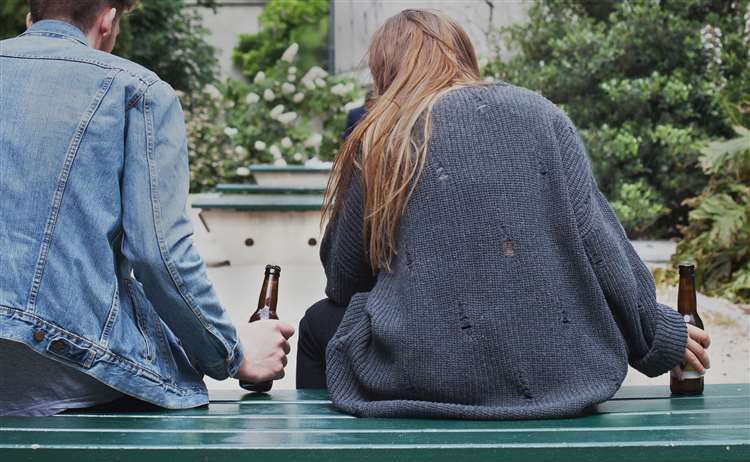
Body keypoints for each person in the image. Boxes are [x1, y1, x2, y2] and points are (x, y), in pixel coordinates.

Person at [296, 9, 711, 419]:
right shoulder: (542, 115)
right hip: (560, 378)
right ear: (462, 55)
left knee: (318, 322)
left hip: (423, 373)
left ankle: (330, 447)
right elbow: (601, 248)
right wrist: (657, 336)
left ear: (385, 71)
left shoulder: (382, 136)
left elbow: (344, 280)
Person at [0, 0, 294, 416]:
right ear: (107, 19)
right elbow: (159, 256)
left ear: (31, 19)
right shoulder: (135, 90)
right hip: (67, 368)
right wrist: (234, 352)